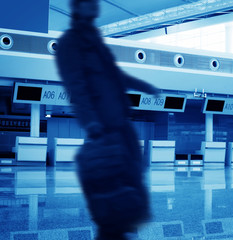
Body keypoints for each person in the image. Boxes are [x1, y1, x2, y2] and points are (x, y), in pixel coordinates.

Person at [55, 0, 157, 239]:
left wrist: (144, 86)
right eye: (87, 2)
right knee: (112, 191)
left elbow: (116, 76)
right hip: (105, 129)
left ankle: (125, 231)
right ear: (76, 7)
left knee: (132, 186)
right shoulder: (70, 42)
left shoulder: (95, 39)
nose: (94, 5)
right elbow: (76, 86)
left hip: (122, 125)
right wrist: (92, 124)